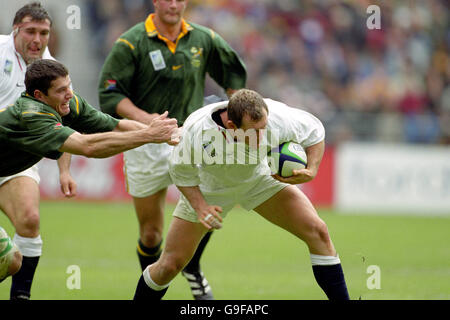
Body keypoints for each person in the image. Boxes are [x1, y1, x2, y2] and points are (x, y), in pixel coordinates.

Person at [133, 89, 350, 300]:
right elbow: (180, 171)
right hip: (210, 189)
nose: (261, 136)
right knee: (169, 265)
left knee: (318, 232)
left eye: (263, 128)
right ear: (231, 126)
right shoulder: (197, 129)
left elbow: (315, 131)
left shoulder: (279, 117)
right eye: (254, 131)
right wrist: (200, 206)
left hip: (259, 180)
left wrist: (311, 169)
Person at [98, 0, 246, 300]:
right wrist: (147, 120)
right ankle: (154, 287)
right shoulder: (131, 41)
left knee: (207, 212)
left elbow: (234, 79)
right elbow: (110, 95)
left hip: (194, 141)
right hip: (146, 142)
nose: (174, 4)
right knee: (151, 234)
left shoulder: (204, 38)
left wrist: (238, 121)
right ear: (156, 1)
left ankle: (192, 267)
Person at [1, 58, 178, 208]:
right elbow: (88, 147)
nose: (69, 94)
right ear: (39, 95)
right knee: (26, 227)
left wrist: (164, 132)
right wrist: (148, 135)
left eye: (68, 86)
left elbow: (115, 126)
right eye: (61, 90)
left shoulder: (69, 104)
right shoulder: (32, 114)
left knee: (25, 230)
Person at [0, 2, 77, 300]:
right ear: (15, 29)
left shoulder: (53, 71)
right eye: (30, 31)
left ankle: (21, 296)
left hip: (16, 160)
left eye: (43, 32)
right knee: (10, 258)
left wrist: (65, 169)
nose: (37, 39)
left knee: (30, 220)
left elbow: (65, 120)